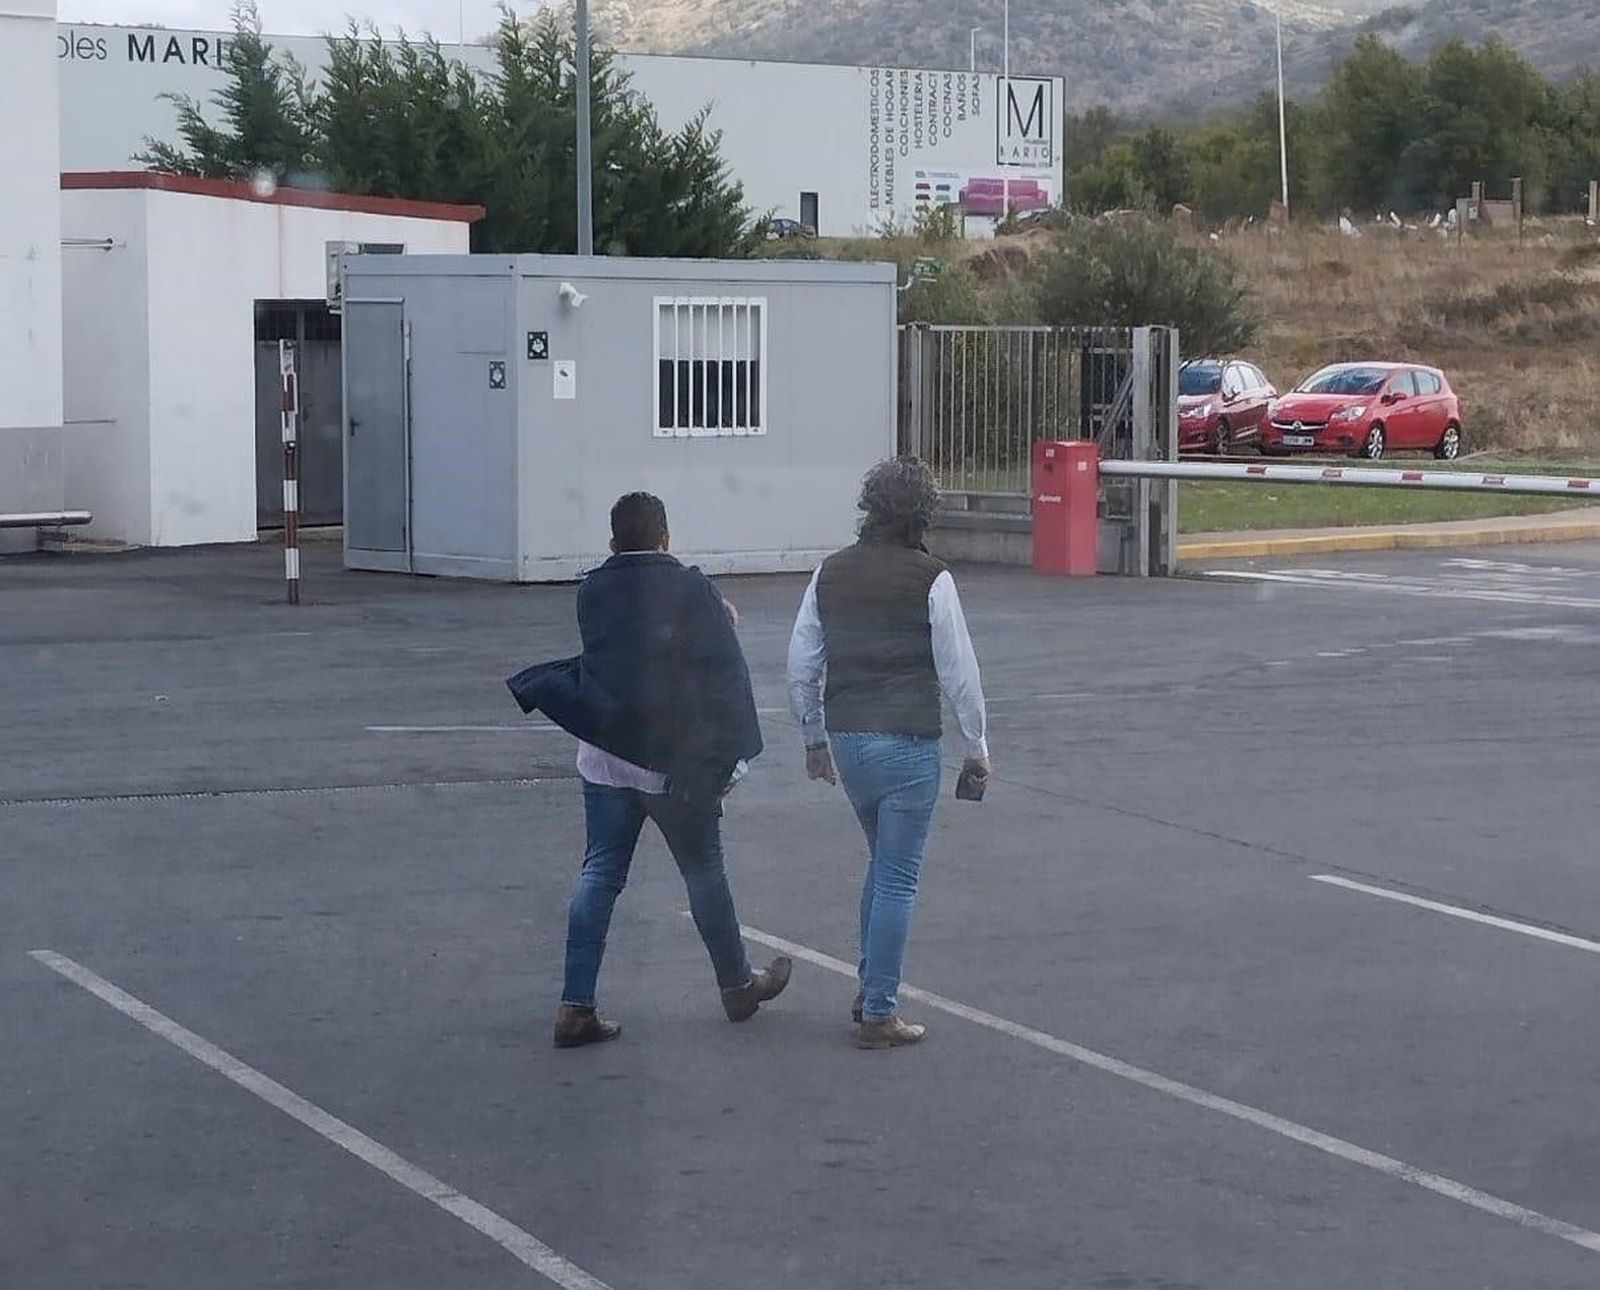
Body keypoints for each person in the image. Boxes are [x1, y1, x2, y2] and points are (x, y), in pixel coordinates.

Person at [508, 492, 791, 1048]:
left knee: (600, 874)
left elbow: (627, 646)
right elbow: (721, 674)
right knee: (704, 871)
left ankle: (575, 1005)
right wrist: (731, 754)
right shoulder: (692, 588)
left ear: (612, 542)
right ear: (666, 537)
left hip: (606, 758)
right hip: (673, 764)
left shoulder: (591, 590)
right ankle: (737, 987)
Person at [786, 458, 990, 1050]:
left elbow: (802, 666)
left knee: (881, 865)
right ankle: (879, 1008)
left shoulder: (829, 573)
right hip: (908, 743)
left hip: (850, 741)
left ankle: (870, 985)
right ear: (924, 513)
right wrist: (977, 747)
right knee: (899, 877)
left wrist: (813, 738)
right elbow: (959, 673)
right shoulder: (932, 577)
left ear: (868, 507)